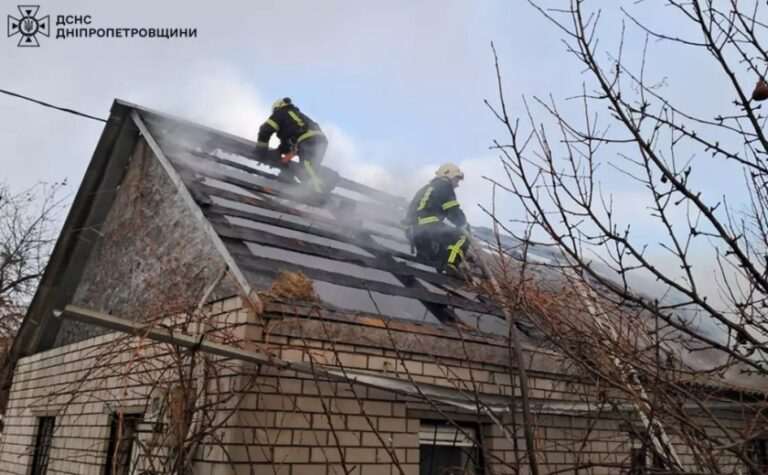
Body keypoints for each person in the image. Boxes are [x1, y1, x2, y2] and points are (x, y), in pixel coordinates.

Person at [404, 163, 471, 276]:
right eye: (456, 179)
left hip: (413, 231)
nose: (457, 184)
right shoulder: (445, 187)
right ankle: (451, 265)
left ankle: (427, 255)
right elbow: (453, 211)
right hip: (428, 228)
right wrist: (464, 224)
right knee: (463, 237)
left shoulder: (426, 188)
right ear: (448, 175)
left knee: (434, 252)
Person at [255, 97, 328, 193]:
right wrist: (279, 152)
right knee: (311, 168)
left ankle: (318, 192)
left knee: (307, 166)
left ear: (277, 108)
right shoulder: (295, 117)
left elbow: (265, 130)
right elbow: (287, 146)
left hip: (308, 140)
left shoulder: (280, 113)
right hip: (320, 140)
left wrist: (261, 151)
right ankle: (326, 181)